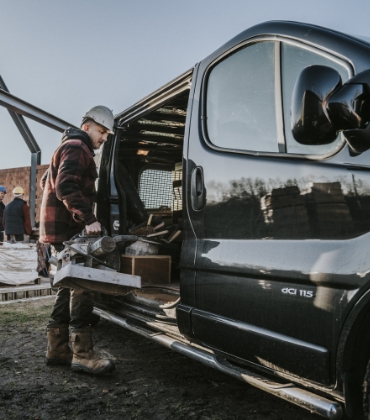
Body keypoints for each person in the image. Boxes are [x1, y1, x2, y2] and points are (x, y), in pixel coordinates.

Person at [40, 105, 115, 374]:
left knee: (65, 284)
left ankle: (58, 348)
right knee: (83, 283)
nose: (104, 137)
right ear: (87, 127)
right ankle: (82, 353)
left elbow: (47, 184)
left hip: (58, 229)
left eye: (107, 134)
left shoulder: (67, 146)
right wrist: (88, 218)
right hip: (69, 230)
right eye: (101, 131)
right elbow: (65, 186)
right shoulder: (78, 147)